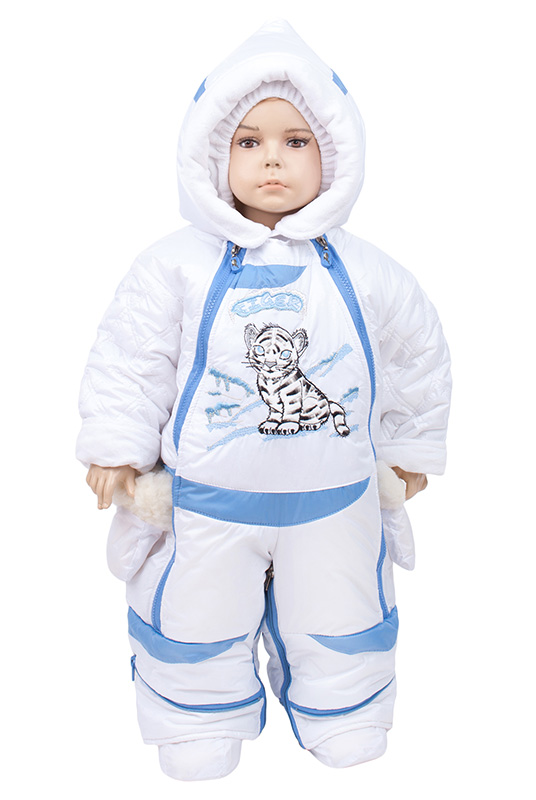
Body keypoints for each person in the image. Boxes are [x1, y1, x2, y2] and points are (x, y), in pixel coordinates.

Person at [77, 20, 451, 781]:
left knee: (342, 615)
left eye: (296, 141)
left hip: (337, 504)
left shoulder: (369, 271)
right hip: (208, 506)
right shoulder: (174, 266)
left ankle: (347, 712)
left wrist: (411, 450)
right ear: (212, 152)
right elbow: (131, 357)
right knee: (197, 616)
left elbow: (418, 355)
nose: (272, 158)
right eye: (248, 141)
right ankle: (197, 722)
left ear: (334, 154)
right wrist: (117, 445)